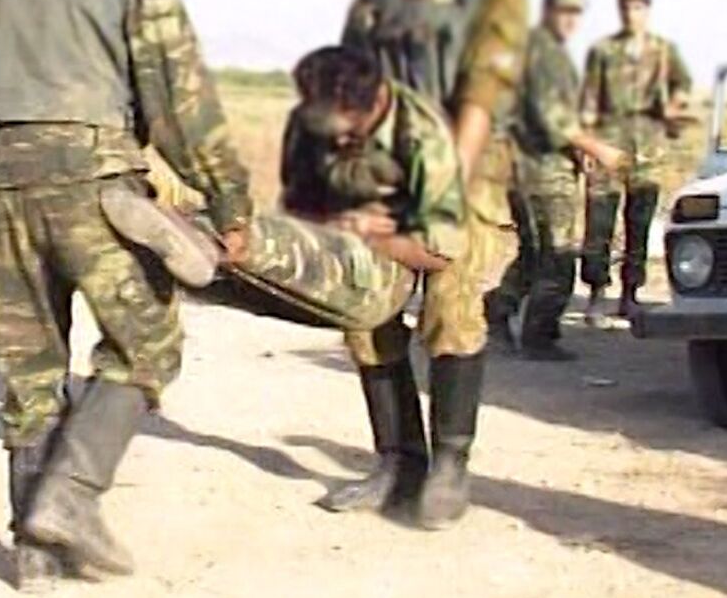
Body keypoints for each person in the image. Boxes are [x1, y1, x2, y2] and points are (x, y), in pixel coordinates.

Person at [0, 0, 256, 590]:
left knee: (29, 365)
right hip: (88, 177)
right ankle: (70, 498)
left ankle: (34, 556)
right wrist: (229, 199)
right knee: (147, 341)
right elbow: (179, 98)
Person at [103, 45, 470, 513]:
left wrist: (365, 235)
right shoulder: (317, 125)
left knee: (454, 313)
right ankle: (400, 466)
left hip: (460, 220)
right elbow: (309, 211)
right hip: (379, 225)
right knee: (361, 318)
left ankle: (450, 469)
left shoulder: (427, 139)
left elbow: (438, 252)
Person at [337, 0, 527, 529]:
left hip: (465, 172)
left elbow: (480, 97)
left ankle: (450, 464)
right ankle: (397, 461)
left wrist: (439, 192)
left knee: (452, 302)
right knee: (367, 307)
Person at [487, 0, 630, 359]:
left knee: (536, 255)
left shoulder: (548, 52)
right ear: (548, 9)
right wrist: (597, 148)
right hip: (542, 174)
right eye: (564, 10)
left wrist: (579, 150)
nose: (570, 19)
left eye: (576, 12)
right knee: (558, 256)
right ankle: (538, 335)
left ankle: (498, 312)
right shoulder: (543, 54)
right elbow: (553, 119)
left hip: (543, 169)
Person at [578, 0, 693, 323]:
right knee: (599, 223)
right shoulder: (603, 51)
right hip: (609, 144)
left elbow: (682, 84)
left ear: (647, 10)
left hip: (648, 149)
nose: (632, 13)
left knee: (639, 224)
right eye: (627, 7)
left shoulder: (663, 51)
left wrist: (674, 106)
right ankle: (596, 292)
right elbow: (589, 99)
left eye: (638, 7)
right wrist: (587, 144)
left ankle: (631, 293)